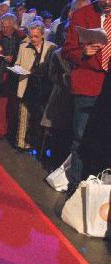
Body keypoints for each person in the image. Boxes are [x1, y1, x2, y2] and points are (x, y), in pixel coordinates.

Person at [62, 0, 110, 196]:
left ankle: (101, 189)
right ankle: (76, 188)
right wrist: (83, 52)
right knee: (81, 138)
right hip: (88, 84)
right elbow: (67, 49)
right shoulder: (82, 15)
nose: (107, 2)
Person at [15, 21, 57, 151]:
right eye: (31, 36)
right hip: (27, 85)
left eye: (36, 36)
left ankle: (38, 144)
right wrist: (19, 69)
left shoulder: (52, 47)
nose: (33, 39)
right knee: (24, 114)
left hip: (44, 87)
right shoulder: (24, 47)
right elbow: (17, 63)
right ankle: (21, 143)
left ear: (42, 35)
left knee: (39, 117)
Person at [0, 13, 26, 140]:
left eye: (7, 27)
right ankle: (0, 131)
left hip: (15, 75)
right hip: (0, 73)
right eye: (3, 26)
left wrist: (14, 58)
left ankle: (11, 132)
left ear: (14, 26)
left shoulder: (21, 37)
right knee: (0, 103)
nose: (4, 29)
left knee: (13, 105)